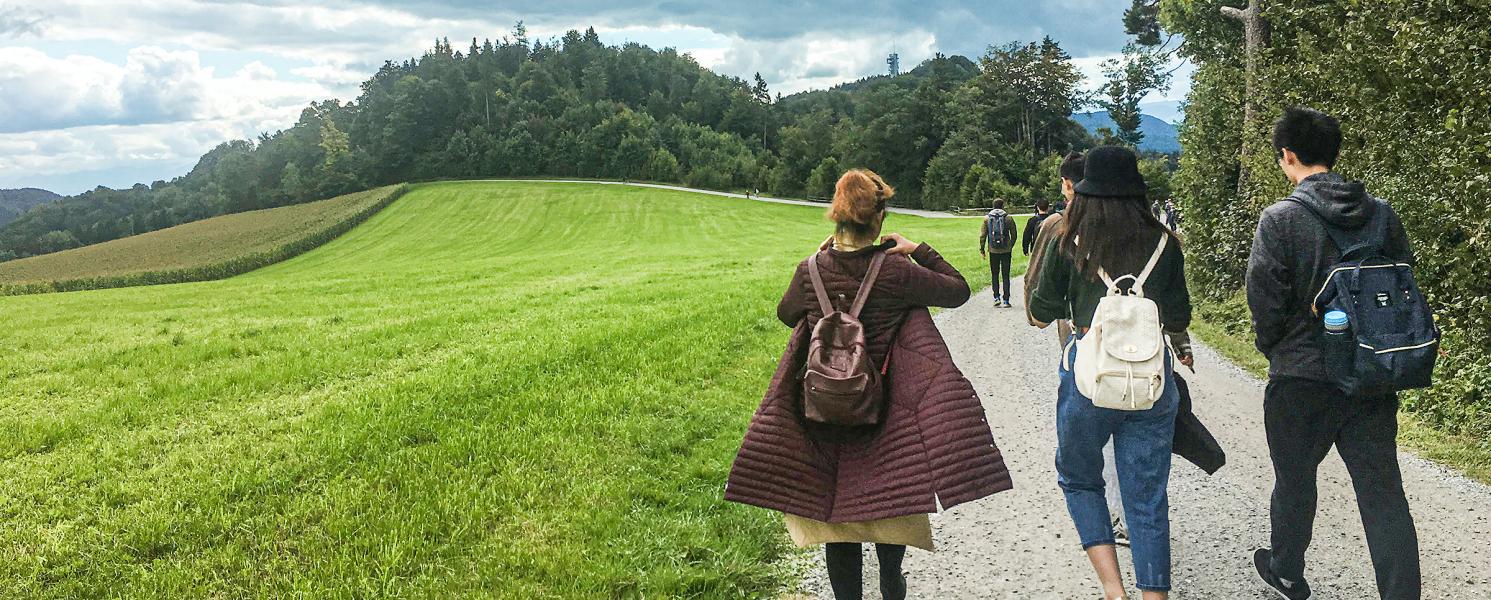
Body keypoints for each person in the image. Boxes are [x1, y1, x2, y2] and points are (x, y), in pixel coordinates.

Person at [725, 168, 1012, 600]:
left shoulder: (811, 270)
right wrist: (919, 249)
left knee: (839, 532)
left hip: (824, 418)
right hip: (886, 422)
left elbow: (787, 314)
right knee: (889, 514)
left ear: (836, 217)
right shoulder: (897, 271)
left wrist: (815, 266)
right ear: (879, 218)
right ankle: (892, 588)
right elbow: (957, 291)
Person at [1246, 107, 1420, 600]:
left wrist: (1277, 349)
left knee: (1295, 479)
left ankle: (1286, 571)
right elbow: (1403, 285)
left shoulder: (1280, 219)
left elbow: (1266, 302)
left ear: (1288, 155)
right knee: (1382, 491)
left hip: (1302, 375)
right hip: (1371, 371)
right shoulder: (1381, 214)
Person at [1030, 146, 1191, 600]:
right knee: (1146, 496)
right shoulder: (1164, 243)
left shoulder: (1071, 241)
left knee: (1080, 477)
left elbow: (1041, 310)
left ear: (1083, 193)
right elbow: (1178, 315)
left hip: (1089, 378)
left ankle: (1113, 590)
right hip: (1150, 381)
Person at [980, 199, 1018, 307]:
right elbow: (1014, 234)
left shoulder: (987, 219)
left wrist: (982, 249)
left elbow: (982, 236)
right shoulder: (1009, 218)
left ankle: (996, 297)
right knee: (1006, 275)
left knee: (995, 274)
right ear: (1003, 206)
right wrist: (1010, 245)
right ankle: (1006, 300)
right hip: (1006, 250)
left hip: (993, 250)